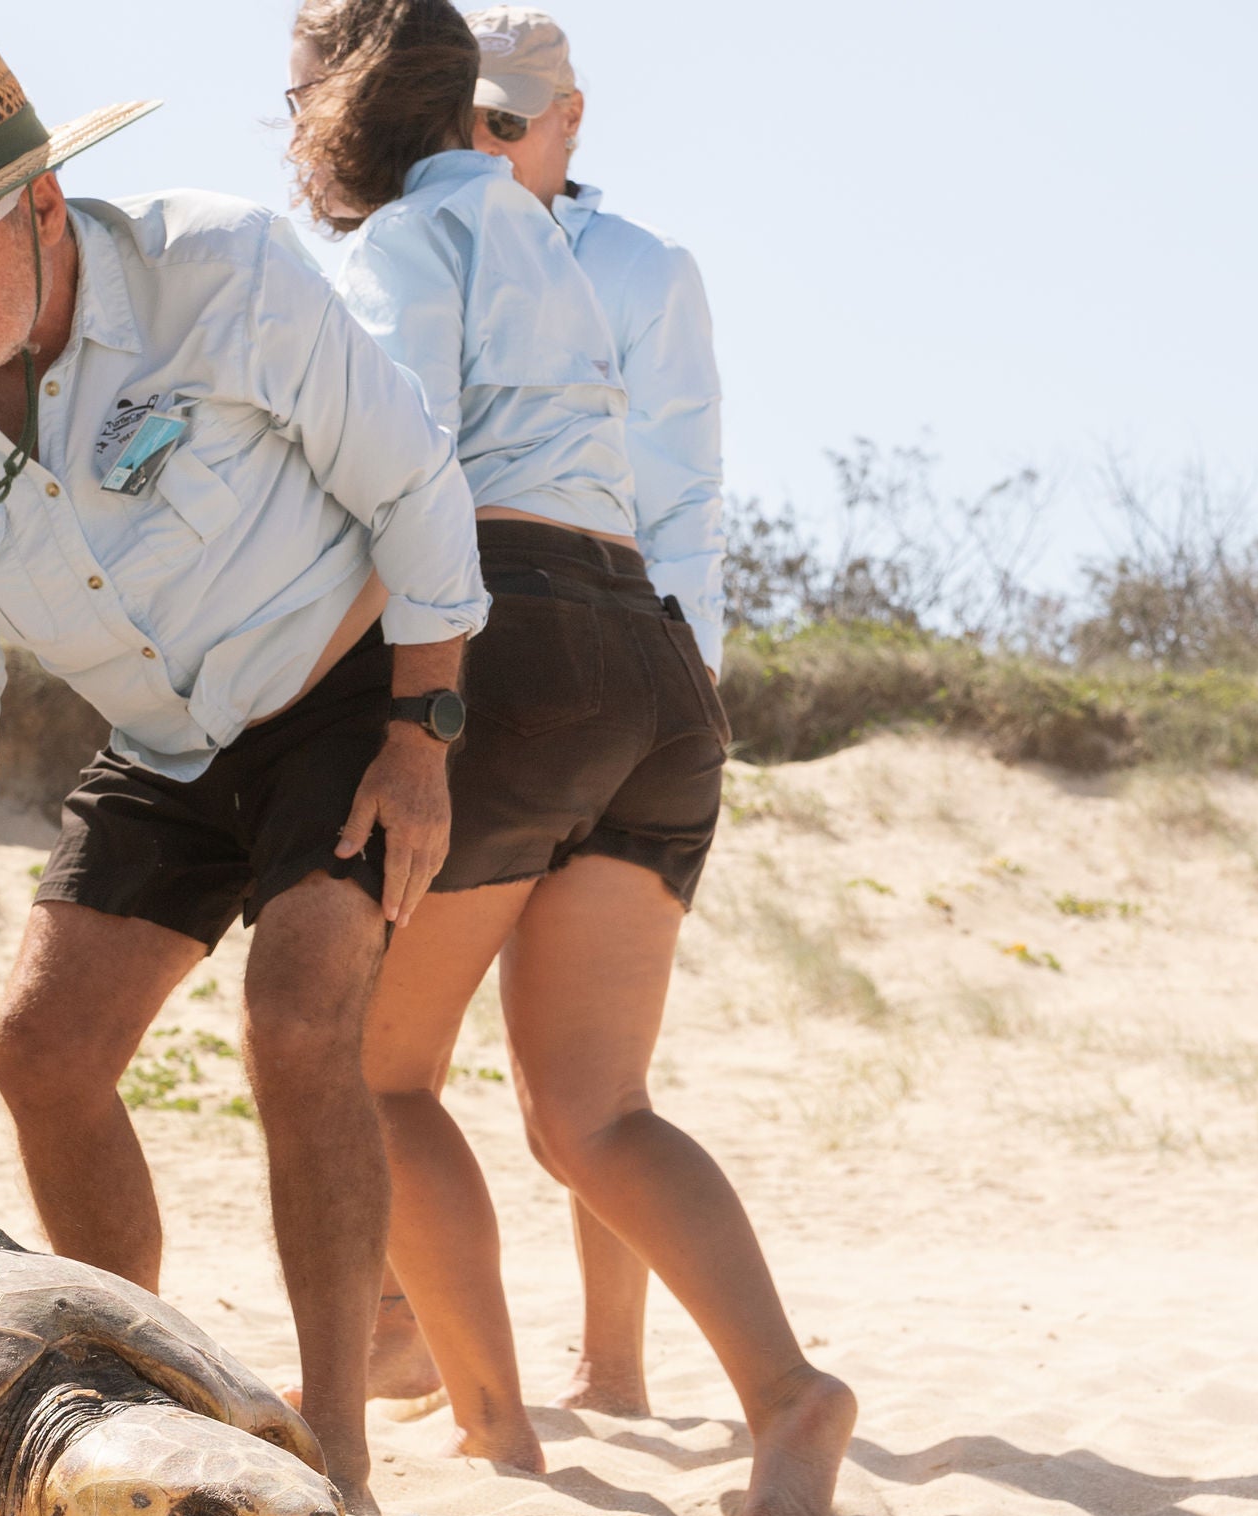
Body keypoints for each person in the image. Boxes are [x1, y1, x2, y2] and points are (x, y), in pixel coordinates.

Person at [0, 18, 488, 1514]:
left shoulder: (223, 270)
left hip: (348, 691)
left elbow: (417, 482)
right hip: (167, 743)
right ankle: (139, 1410)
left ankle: (344, 1461)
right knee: (36, 1051)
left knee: (298, 1019)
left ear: (44, 203)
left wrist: (423, 736)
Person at [294, 0, 850, 1516]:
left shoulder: (406, 242)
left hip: (517, 646)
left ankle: (499, 1431)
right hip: (653, 665)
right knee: (593, 1109)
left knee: (374, 1068)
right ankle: (789, 1395)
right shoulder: (558, 242)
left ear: (349, 106)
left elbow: (405, 466)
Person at [470, 4, 728, 1416]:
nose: (490, 146)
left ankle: (608, 1371)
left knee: (583, 1079)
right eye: (470, 121)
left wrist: (678, 673)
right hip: (456, 668)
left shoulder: (641, 271)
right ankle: (445, 1349)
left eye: (514, 121)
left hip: (618, 662)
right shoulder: (420, 249)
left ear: (570, 123)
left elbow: (686, 483)